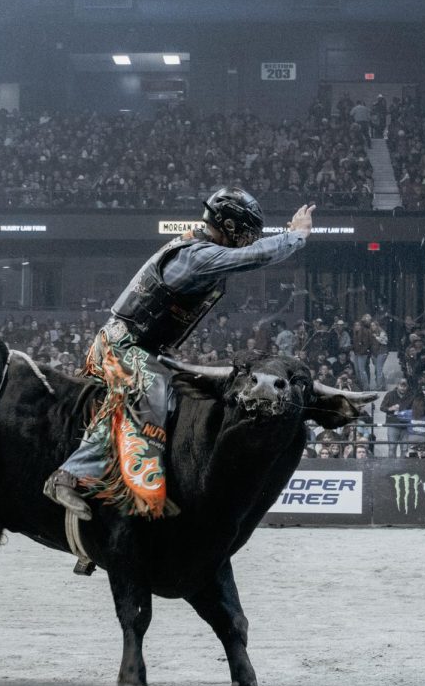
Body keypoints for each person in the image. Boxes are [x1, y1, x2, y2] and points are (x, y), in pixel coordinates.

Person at [43, 188, 318, 521]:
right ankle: (70, 475)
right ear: (229, 225)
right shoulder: (198, 256)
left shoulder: (197, 248)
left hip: (146, 347)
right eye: (245, 231)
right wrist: (296, 236)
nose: (248, 239)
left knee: (185, 395)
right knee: (152, 391)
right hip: (124, 344)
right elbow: (255, 256)